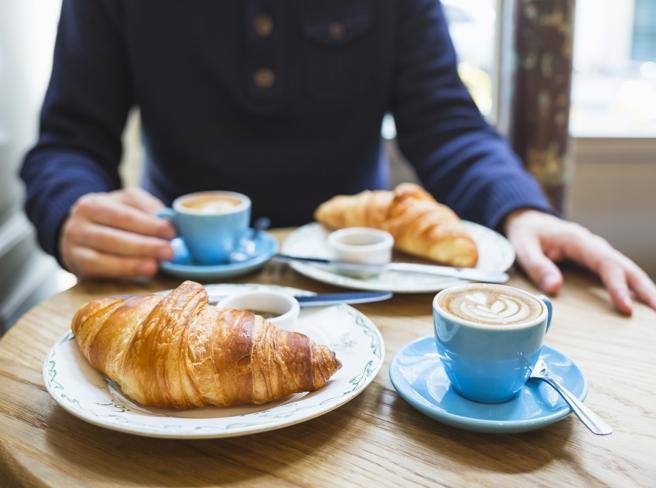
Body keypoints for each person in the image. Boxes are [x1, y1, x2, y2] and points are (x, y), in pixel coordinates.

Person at [21, 0, 656, 316]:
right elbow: (69, 143)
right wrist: (72, 210)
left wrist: (520, 209)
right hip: (178, 288)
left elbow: (445, 121)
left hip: (362, 290)